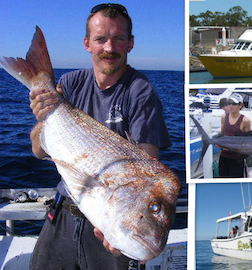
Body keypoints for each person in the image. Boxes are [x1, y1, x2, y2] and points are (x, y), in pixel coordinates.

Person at [28, 3, 172, 269]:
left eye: (118, 38)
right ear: (87, 43)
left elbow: (147, 177)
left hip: (108, 222)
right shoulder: (71, 83)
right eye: (100, 39)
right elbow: (38, 151)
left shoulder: (140, 92)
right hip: (63, 213)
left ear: (130, 43)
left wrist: (122, 228)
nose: (109, 47)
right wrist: (42, 119)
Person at [218, 93, 251, 178]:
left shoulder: (245, 120)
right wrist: (218, 143)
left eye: (234, 104)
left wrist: (247, 172)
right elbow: (222, 134)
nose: (231, 106)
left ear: (240, 105)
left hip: (237, 159)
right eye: (229, 103)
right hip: (224, 157)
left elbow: (249, 142)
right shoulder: (223, 117)